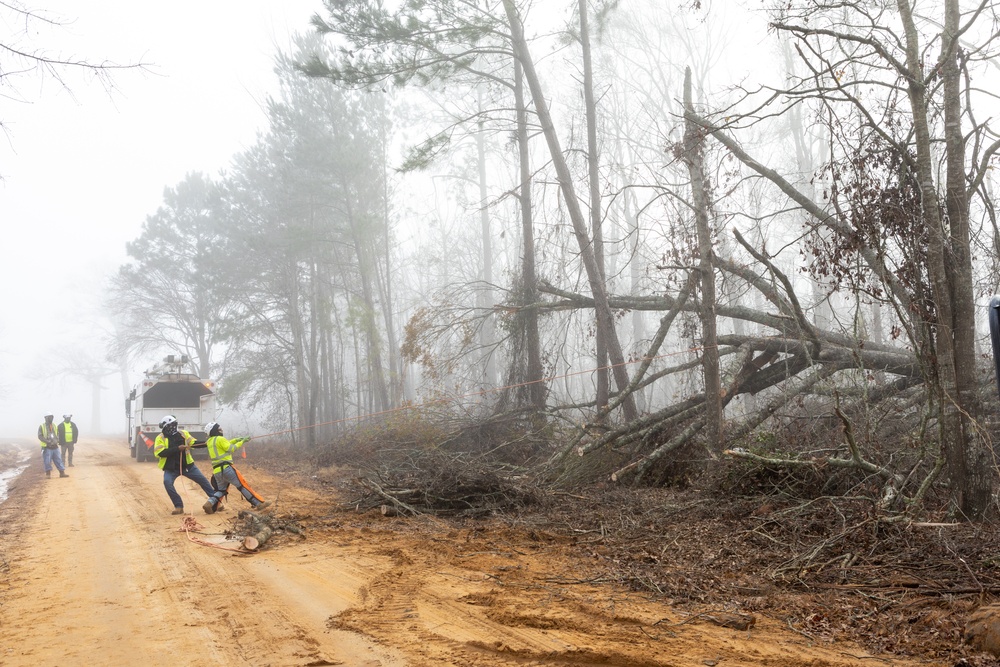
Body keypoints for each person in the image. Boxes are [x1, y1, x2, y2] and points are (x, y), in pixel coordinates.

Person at [154, 415, 222, 515]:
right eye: (170, 425)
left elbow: (194, 443)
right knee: (167, 483)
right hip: (171, 469)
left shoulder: (183, 434)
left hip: (188, 467)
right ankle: (178, 506)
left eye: (174, 424)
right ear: (165, 427)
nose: (173, 427)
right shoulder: (160, 438)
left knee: (203, 481)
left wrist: (208, 442)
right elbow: (159, 452)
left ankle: (216, 502)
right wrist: (177, 448)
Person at [202, 421, 270, 514]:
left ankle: (209, 503)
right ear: (214, 431)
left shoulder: (210, 441)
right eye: (218, 428)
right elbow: (231, 448)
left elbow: (226, 443)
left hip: (217, 471)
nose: (221, 429)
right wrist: (242, 441)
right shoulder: (220, 439)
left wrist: (237, 439)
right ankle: (258, 503)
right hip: (227, 469)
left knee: (221, 490)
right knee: (242, 486)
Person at [37, 412, 68, 478]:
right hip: (46, 447)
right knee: (47, 461)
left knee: (58, 460)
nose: (51, 418)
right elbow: (40, 436)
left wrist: (57, 440)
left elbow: (58, 434)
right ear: (45, 418)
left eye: (52, 417)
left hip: (55, 446)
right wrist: (47, 441)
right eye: (49, 417)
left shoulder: (54, 425)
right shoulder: (42, 426)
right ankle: (48, 474)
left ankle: (62, 473)